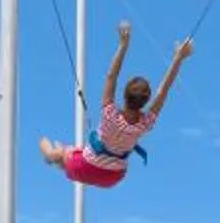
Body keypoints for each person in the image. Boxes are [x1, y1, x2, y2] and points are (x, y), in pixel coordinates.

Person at [39, 21, 191, 190]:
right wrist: (179, 58)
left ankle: (50, 154)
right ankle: (59, 158)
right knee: (70, 155)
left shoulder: (110, 114)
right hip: (112, 177)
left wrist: (123, 45)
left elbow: (112, 76)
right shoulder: (144, 125)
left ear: (124, 96)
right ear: (145, 101)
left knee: (56, 150)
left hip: (87, 166)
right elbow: (163, 91)